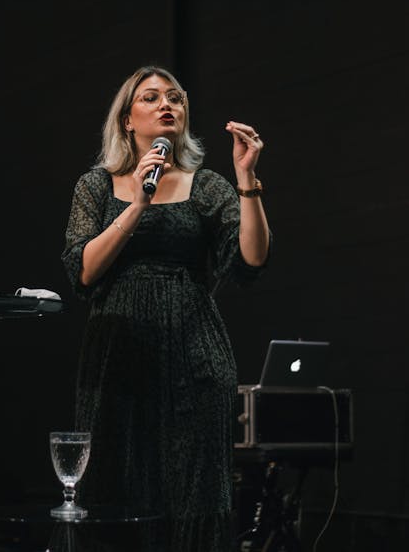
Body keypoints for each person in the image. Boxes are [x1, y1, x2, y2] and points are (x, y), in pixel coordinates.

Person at [62, 65, 270, 552]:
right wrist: (137, 201)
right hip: (118, 356)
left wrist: (247, 179)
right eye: (152, 97)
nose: (167, 105)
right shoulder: (95, 187)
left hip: (194, 353)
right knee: (117, 484)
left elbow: (252, 259)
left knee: (193, 492)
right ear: (127, 120)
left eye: (175, 98)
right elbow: (84, 270)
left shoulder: (208, 185)